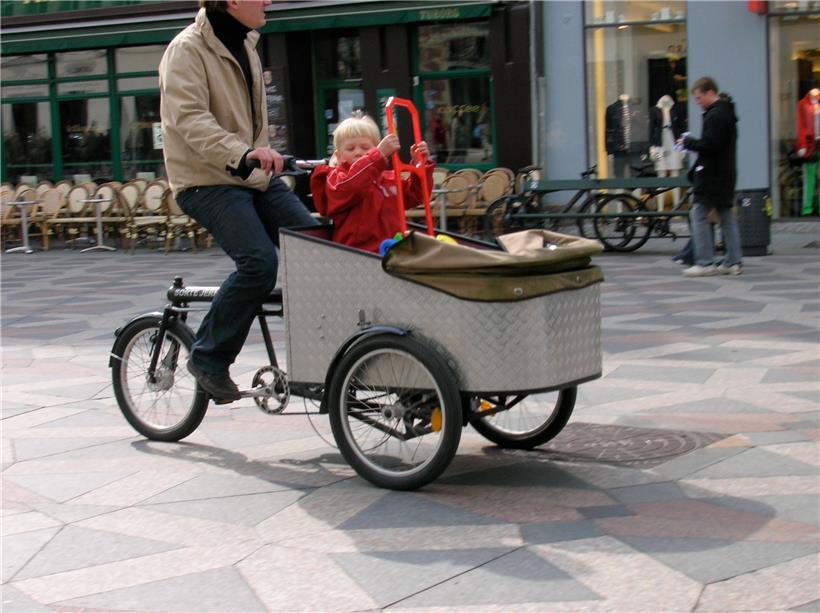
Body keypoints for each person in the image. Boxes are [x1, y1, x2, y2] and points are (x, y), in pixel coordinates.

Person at [159, 0, 317, 402]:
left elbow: (250, 123)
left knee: (316, 243)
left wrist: (261, 156)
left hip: (252, 175)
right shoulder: (186, 50)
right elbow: (190, 119)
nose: (267, 1)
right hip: (205, 180)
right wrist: (242, 153)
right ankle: (209, 357)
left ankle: (328, 352)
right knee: (259, 263)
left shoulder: (246, 45)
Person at [310, 113, 434, 253]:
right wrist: (377, 155)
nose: (358, 152)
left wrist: (420, 166)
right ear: (338, 156)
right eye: (351, 148)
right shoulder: (336, 179)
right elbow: (352, 185)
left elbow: (417, 194)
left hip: (392, 250)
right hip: (356, 254)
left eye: (365, 148)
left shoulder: (387, 178)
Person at [678, 77, 743, 277]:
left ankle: (705, 261)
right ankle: (733, 261)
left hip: (711, 175)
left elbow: (710, 145)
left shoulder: (715, 115)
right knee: (725, 215)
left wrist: (688, 142)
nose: (698, 102)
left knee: (698, 214)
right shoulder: (726, 112)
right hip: (725, 174)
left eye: (699, 98)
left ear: (709, 92)